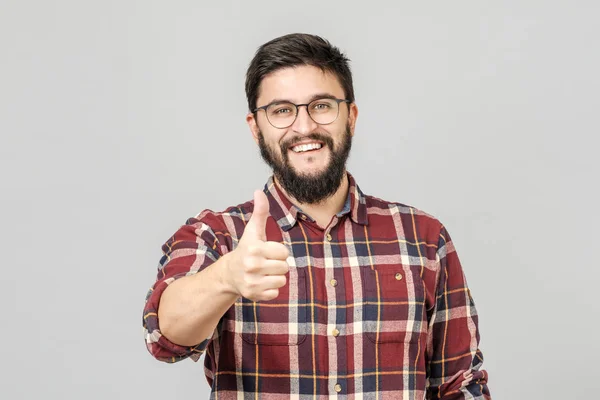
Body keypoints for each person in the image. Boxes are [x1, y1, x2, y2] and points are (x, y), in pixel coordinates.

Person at [142, 33, 491, 399]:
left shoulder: (423, 237)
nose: (304, 127)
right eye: (281, 111)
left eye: (321, 106)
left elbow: (460, 385)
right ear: (255, 127)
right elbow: (164, 337)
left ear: (350, 116)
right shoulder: (217, 235)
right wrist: (227, 277)